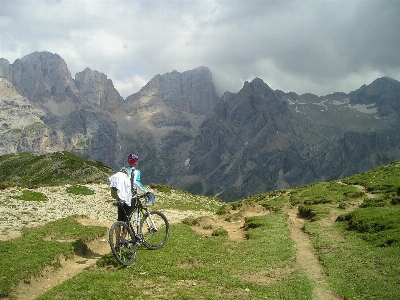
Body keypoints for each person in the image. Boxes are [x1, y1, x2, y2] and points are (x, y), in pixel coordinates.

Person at [109, 153, 149, 223]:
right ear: (136, 162)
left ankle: (116, 233)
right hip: (131, 197)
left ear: (128, 161)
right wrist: (146, 191)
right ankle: (125, 232)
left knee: (120, 219)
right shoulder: (136, 172)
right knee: (127, 219)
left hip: (121, 196)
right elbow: (136, 182)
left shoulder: (122, 170)